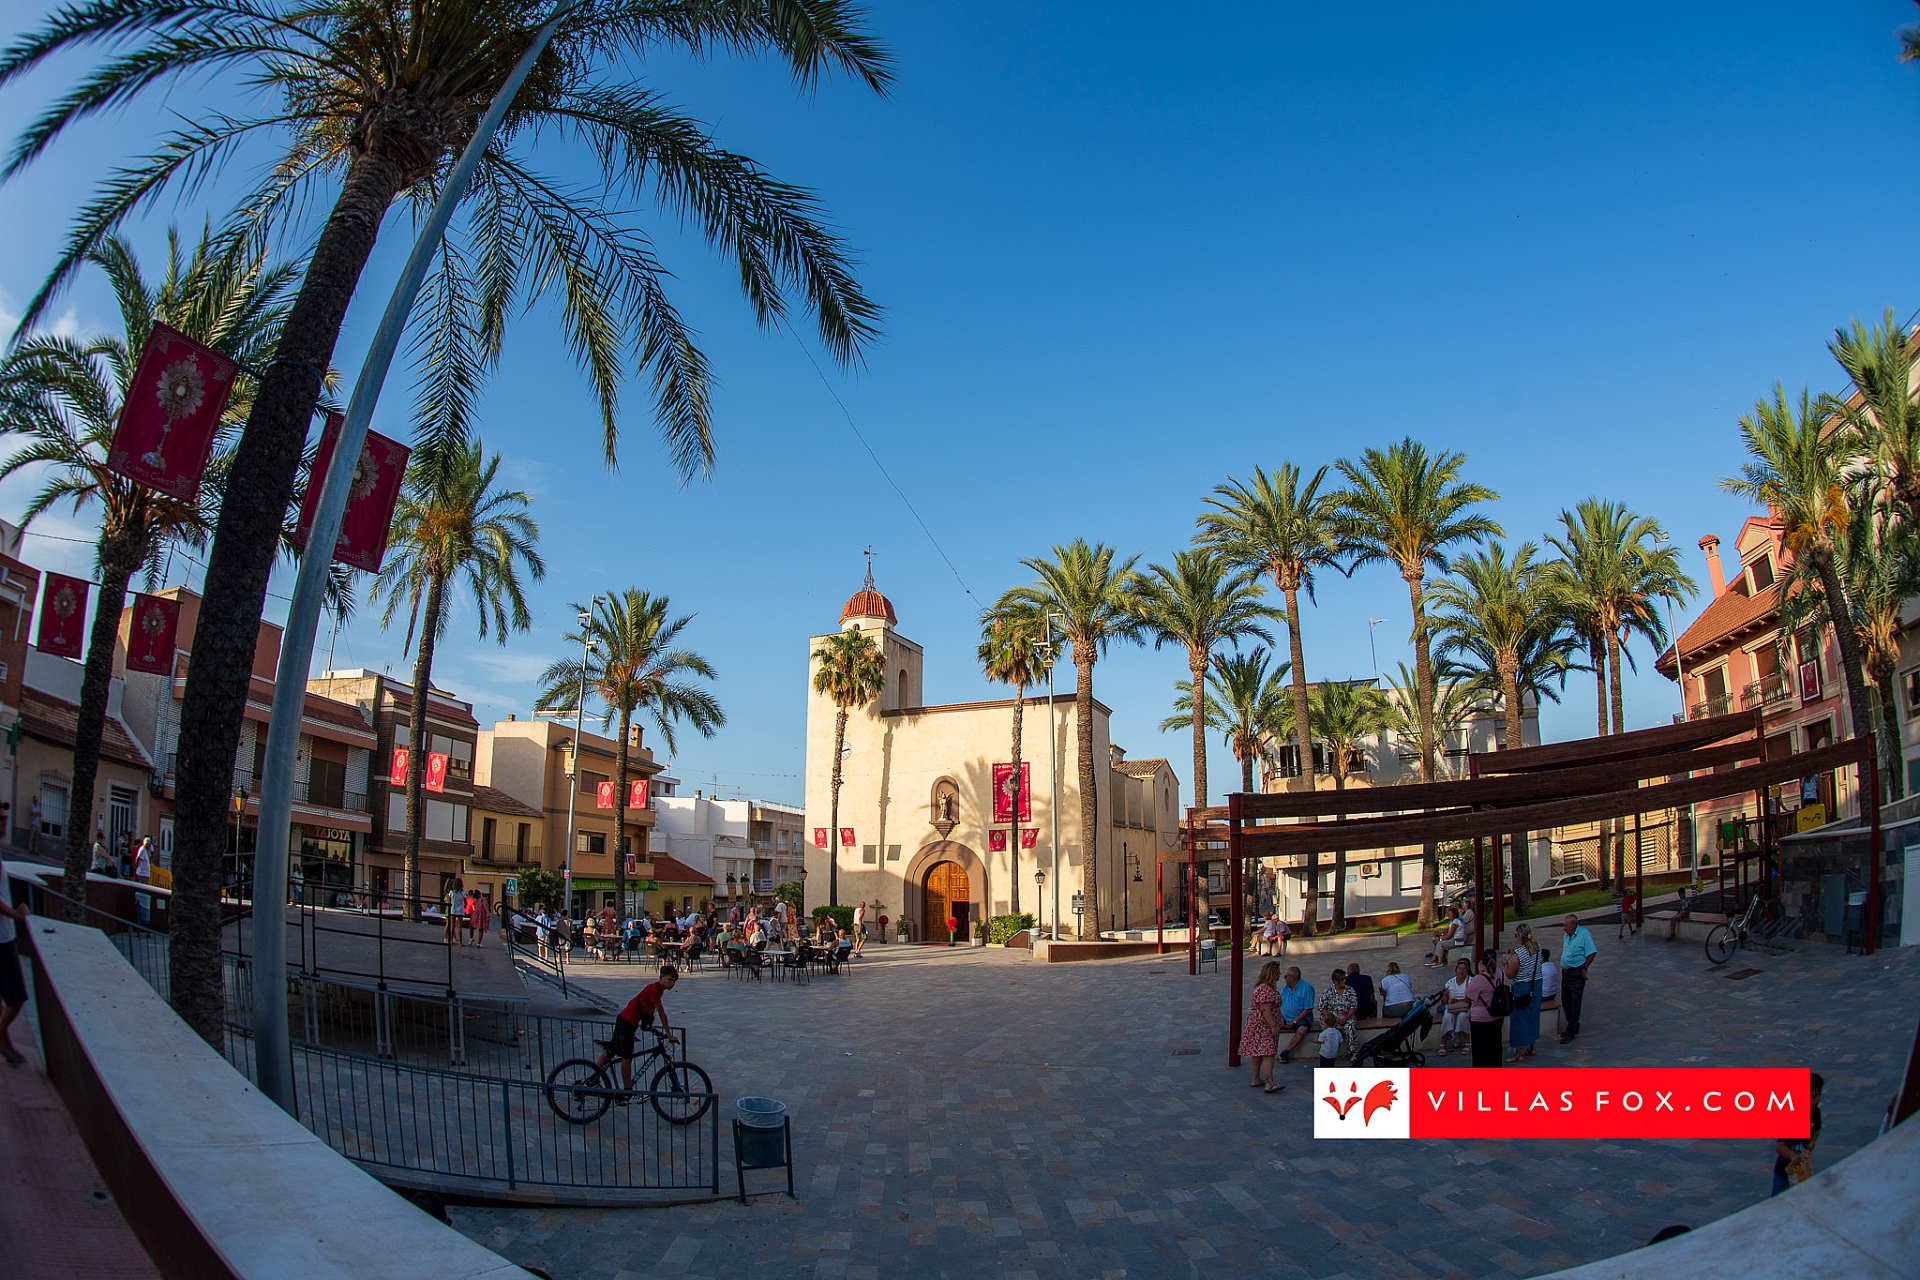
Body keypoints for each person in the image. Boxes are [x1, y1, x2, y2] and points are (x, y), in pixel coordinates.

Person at [595, 965, 680, 1099]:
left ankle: (595, 1077)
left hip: (627, 1021)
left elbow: (648, 1010)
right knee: (626, 1057)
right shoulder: (654, 989)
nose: (672, 983)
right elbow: (661, 1013)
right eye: (669, 980)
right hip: (627, 1022)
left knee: (611, 1051)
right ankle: (627, 1090)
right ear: (661, 978)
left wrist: (649, 1026)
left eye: (674, 981)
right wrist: (669, 1034)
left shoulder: (658, 990)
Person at [1771, 1073, 1823, 1195]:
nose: (1818, 1099)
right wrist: (1793, 1156)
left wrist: (1813, 1141)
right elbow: (1780, 1146)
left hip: (1801, 1169)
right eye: (1814, 1096)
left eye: (1819, 1095)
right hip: (1783, 1170)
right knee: (1777, 1197)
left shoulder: (1815, 1113)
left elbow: (1817, 1129)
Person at [0, 858, 30, 1066]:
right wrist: (15, 914)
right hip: (2, 938)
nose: (4, 825)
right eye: (2, 822)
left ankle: (6, 1046)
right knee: (17, 999)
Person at [1242, 961, 1284, 1093]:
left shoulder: (1261, 988)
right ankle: (1269, 1083)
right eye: (1278, 972)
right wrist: (1273, 1025)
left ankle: (1255, 1079)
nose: (1280, 974)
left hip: (1255, 1025)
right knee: (1268, 1053)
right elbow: (1266, 1009)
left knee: (1257, 1052)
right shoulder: (1266, 990)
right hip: (1263, 1025)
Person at [1466, 948, 1512, 1068]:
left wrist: (1481, 971)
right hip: (1497, 1015)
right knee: (1495, 1047)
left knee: (1480, 1051)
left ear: (1482, 962)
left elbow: (1468, 994)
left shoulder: (1479, 979)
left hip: (1480, 1018)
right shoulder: (1501, 974)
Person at [1558, 914, 1597, 1044]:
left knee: (1575, 1002)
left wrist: (1585, 967)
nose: (1564, 928)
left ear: (1574, 925)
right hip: (1566, 972)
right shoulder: (1566, 936)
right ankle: (1573, 1024)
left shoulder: (1584, 934)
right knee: (1565, 999)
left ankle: (1571, 1030)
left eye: (1566, 925)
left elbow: (1592, 952)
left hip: (1576, 972)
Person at [1506, 924, 1543, 1063]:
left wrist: (1505, 963)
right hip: (1536, 985)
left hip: (1522, 988)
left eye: (1516, 935)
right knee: (1533, 1015)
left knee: (1520, 1019)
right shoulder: (1537, 948)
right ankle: (1531, 1047)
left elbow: (1510, 974)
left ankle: (1519, 1053)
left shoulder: (1518, 955)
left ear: (1520, 936)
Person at [1276, 966, 1318, 1064]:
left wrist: (1295, 1021)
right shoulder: (1285, 988)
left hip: (1301, 1018)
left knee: (1302, 1029)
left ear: (1292, 977)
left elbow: (1308, 1009)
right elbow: (1279, 1004)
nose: (1284, 978)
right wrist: (1281, 1018)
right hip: (1285, 1018)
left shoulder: (1307, 988)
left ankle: (1286, 1052)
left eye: (1285, 976)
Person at [1318, 967, 1358, 1063]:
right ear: (1335, 981)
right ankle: (1328, 1052)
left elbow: (1353, 1007)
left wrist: (1346, 1018)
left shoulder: (1350, 991)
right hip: (1332, 1018)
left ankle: (1353, 1052)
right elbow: (1322, 1008)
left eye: (1345, 979)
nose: (1344, 981)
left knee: (1349, 1026)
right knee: (1328, 1028)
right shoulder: (1328, 992)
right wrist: (1333, 1019)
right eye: (1342, 979)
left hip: (1346, 1017)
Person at [1439, 959, 1473, 1056]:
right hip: (1452, 1007)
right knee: (1447, 1017)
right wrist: (1445, 994)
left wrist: (1458, 1001)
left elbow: (1470, 999)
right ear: (1456, 970)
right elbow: (1444, 1001)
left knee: (1462, 1016)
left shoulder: (1471, 981)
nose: (1462, 971)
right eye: (1460, 969)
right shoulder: (1450, 982)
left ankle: (1468, 1042)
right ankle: (1443, 1043)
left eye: (1464, 969)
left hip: (1465, 1007)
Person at [445, 881, 467, 945]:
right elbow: (465, 902)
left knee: (452, 926)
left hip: (453, 910)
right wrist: (463, 906)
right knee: (459, 926)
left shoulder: (451, 893)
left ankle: (451, 940)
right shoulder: (462, 893)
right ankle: (460, 942)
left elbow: (449, 901)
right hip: (460, 910)